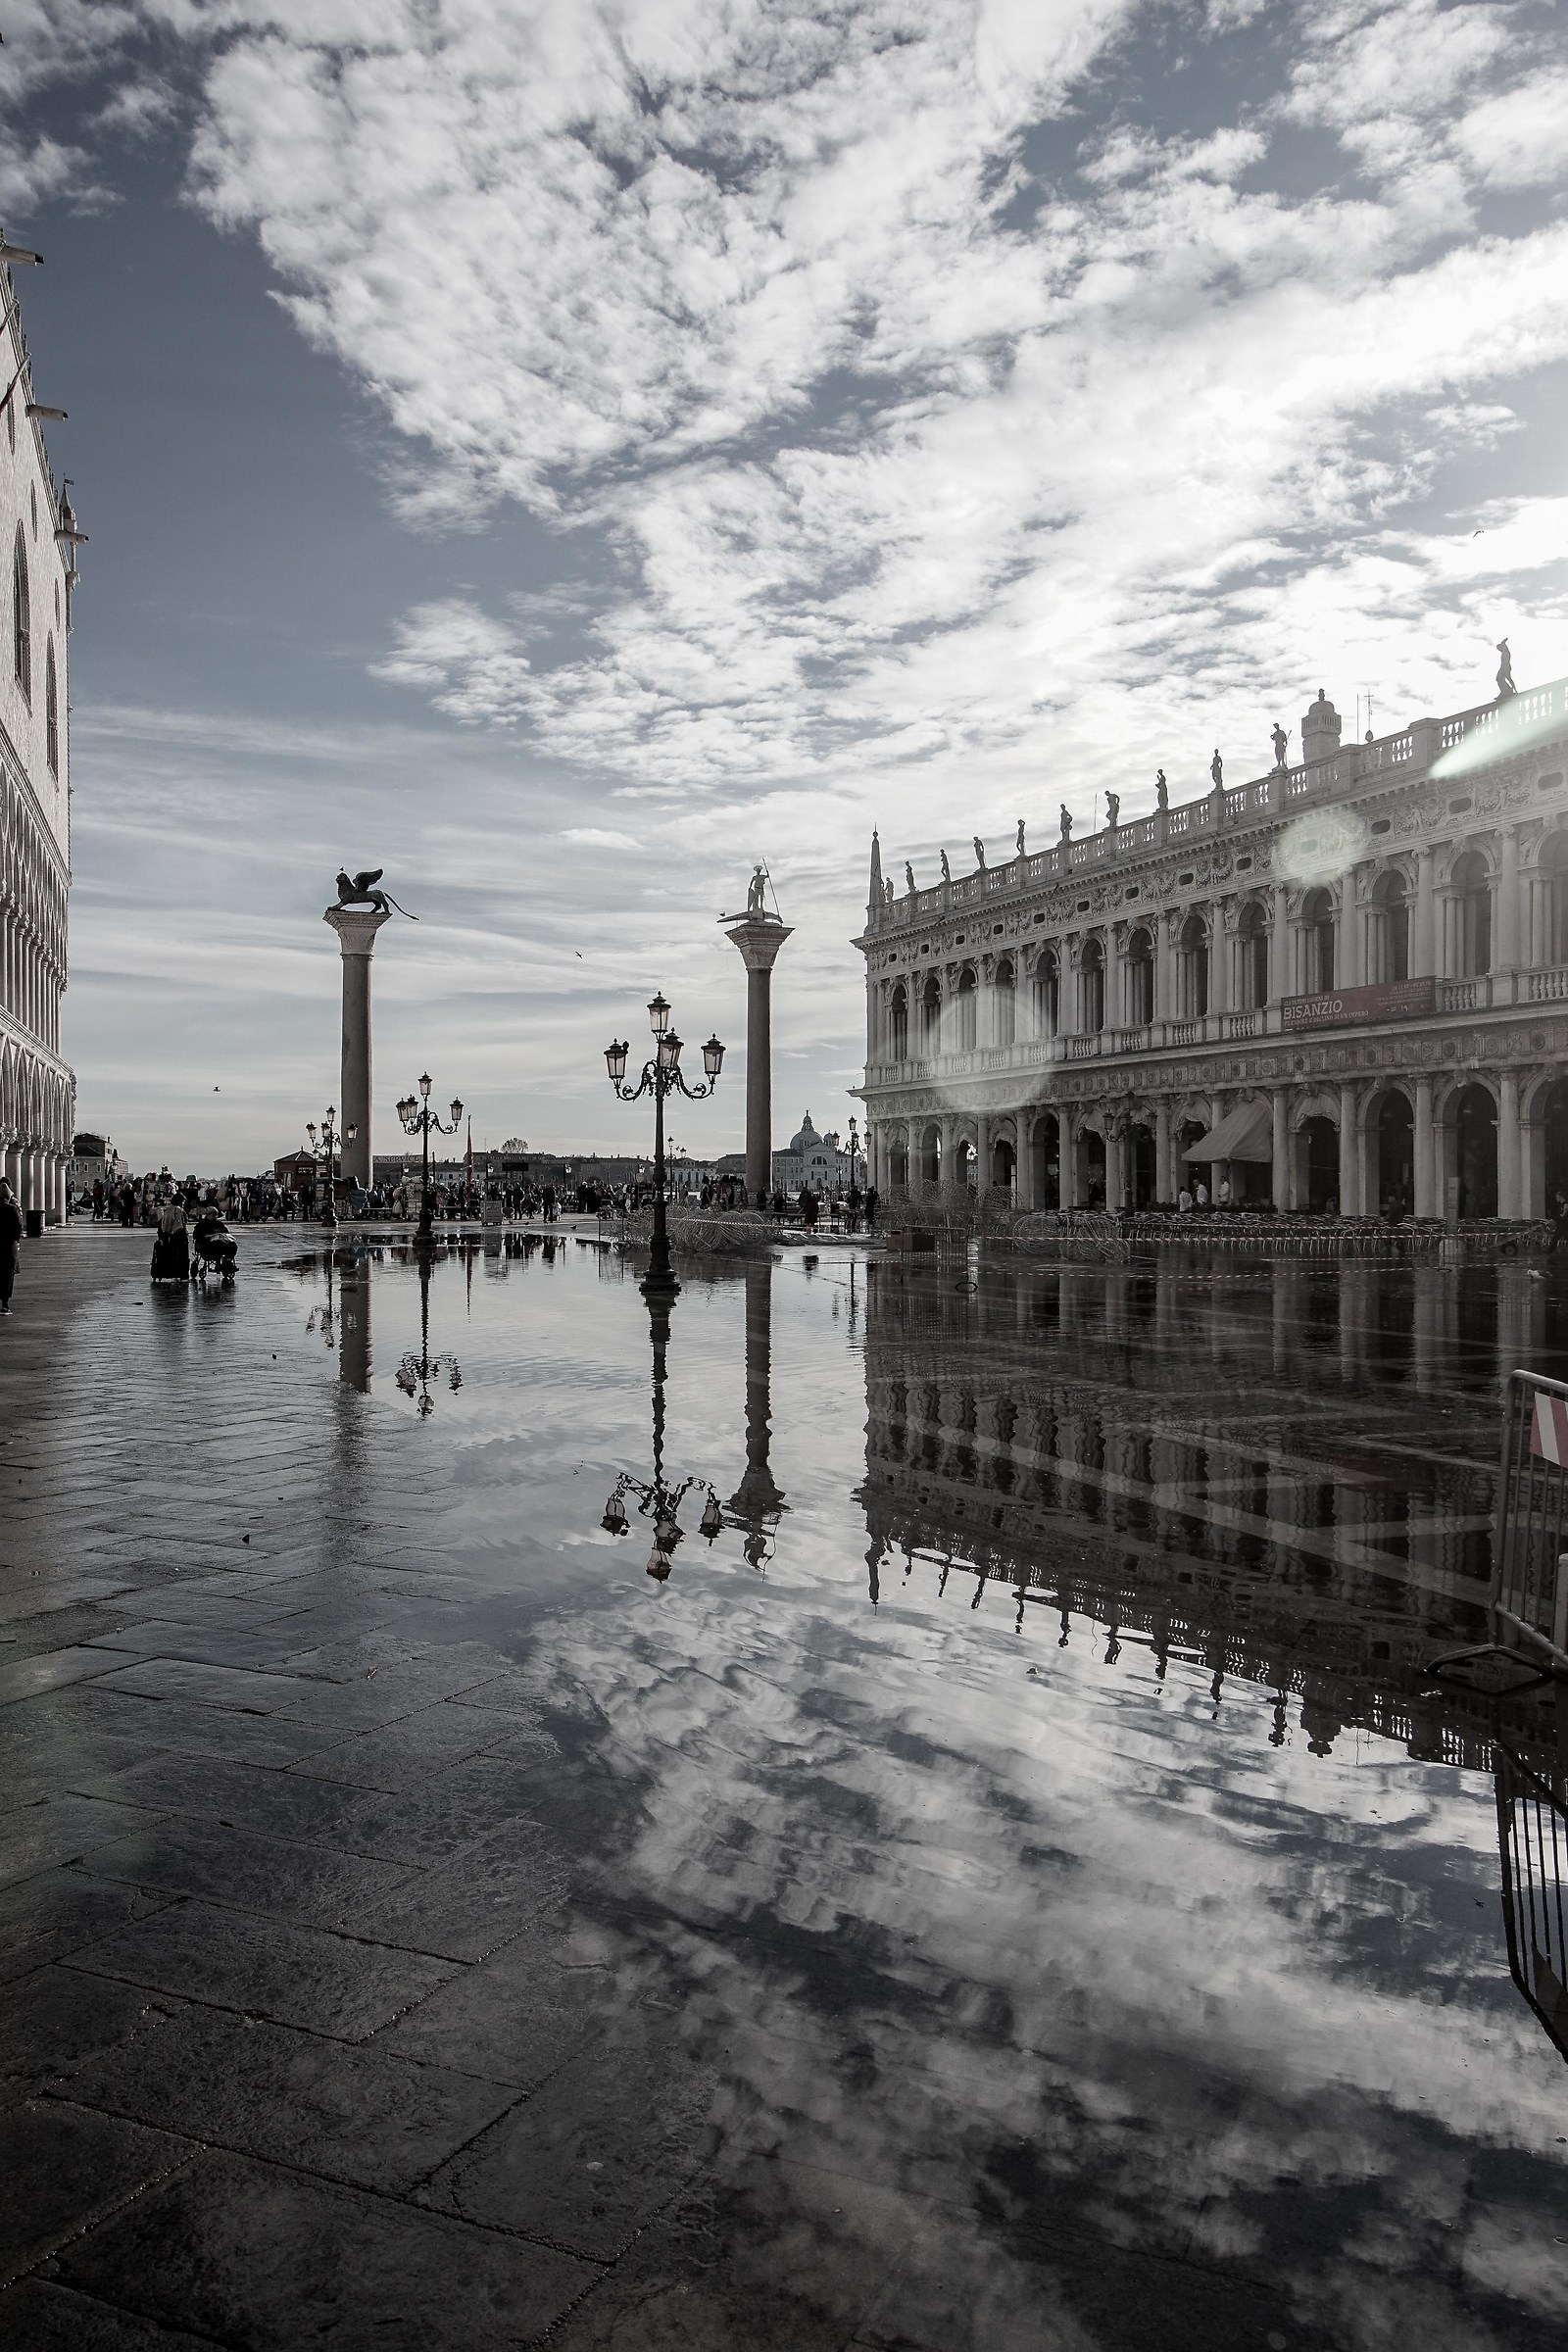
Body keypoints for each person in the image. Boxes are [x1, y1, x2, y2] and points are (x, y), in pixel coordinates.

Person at [151, 1195, 189, 1283]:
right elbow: (179, 1225)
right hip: (179, 1237)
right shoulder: (178, 1210)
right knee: (182, 1256)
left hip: (168, 1237)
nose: (183, 1203)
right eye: (183, 1202)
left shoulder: (168, 1210)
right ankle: (182, 1276)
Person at [0, 1179, 22, 1314]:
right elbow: (18, 1228)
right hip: (8, 1246)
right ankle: (5, 1304)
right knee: (8, 1274)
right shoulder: (12, 1209)